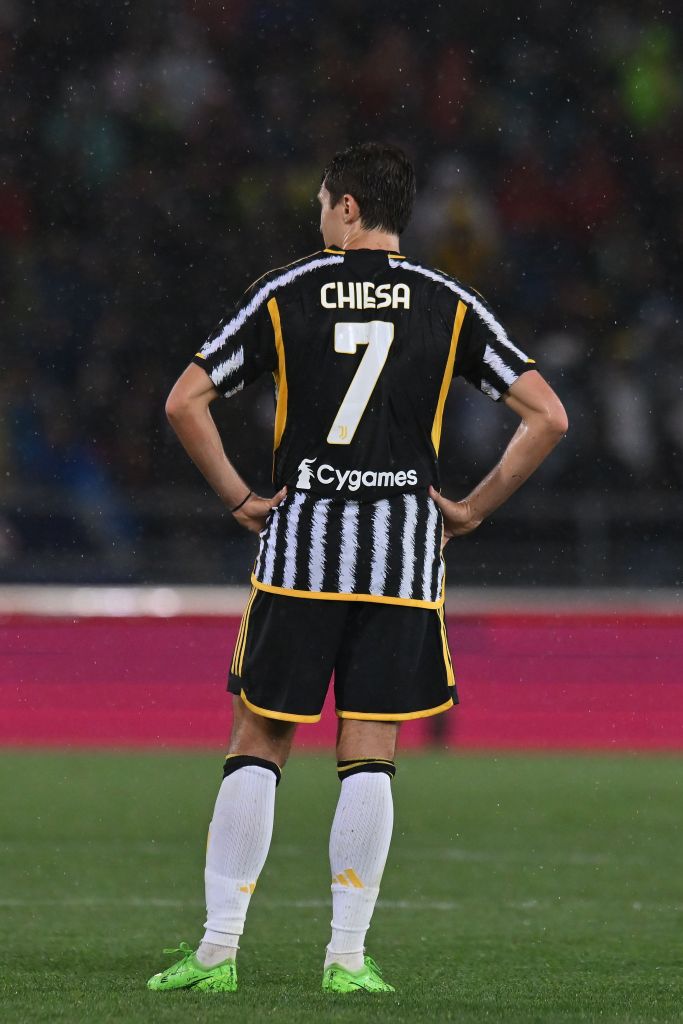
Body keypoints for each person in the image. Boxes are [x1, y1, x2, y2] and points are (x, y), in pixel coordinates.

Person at [148, 142, 568, 995]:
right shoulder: (449, 303)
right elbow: (547, 416)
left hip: (301, 555)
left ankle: (218, 953)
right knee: (369, 752)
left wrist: (237, 496)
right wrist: (473, 507)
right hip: (401, 564)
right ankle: (345, 959)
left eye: (320, 201)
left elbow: (183, 400)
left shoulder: (288, 291)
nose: (317, 214)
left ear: (345, 208)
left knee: (259, 742)